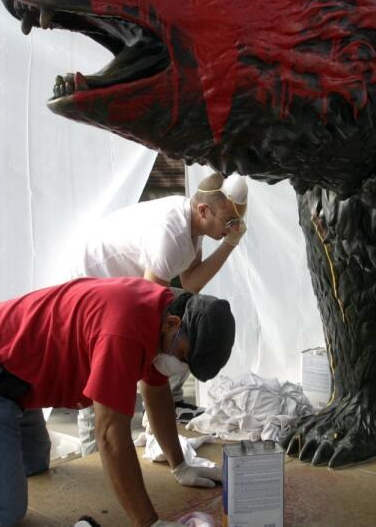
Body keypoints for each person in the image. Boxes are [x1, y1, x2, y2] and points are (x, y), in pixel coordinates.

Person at [0, 277, 236, 527]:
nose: (177, 365)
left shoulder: (160, 316)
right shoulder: (128, 328)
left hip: (12, 379)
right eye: (183, 355)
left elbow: (156, 394)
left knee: (34, 465)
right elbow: (109, 435)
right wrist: (149, 523)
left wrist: (180, 465)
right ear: (173, 325)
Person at [73, 171, 248, 453]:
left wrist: (230, 244)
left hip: (122, 288)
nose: (232, 227)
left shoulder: (195, 227)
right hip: (90, 289)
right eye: (229, 222)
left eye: (237, 222)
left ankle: (137, 435)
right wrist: (152, 380)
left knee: (176, 338)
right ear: (204, 210)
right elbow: (147, 315)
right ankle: (95, 455)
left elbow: (191, 284)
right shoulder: (171, 235)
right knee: (104, 384)